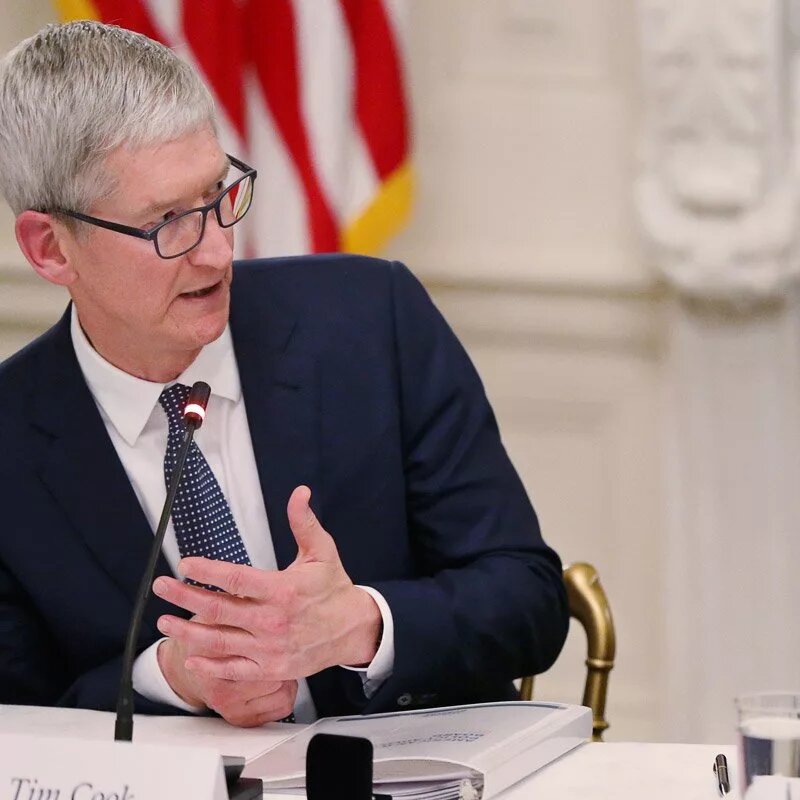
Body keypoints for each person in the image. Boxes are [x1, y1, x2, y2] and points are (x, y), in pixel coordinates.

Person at [0, 21, 568, 728]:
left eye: (219, 195)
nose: (216, 253)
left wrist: (362, 625)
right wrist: (173, 678)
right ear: (51, 249)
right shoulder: (9, 445)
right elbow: (18, 716)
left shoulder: (372, 320)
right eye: (168, 222)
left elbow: (528, 598)